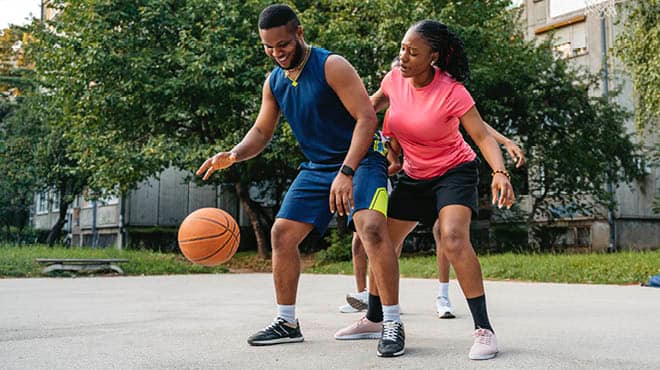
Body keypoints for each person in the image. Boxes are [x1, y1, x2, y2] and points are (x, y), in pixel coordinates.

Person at [196, 4, 405, 358]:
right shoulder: (274, 81)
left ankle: (391, 322)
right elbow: (262, 131)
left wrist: (347, 171)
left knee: (370, 228)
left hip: (363, 159)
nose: (276, 53)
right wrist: (233, 154)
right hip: (318, 166)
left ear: (300, 34)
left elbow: (367, 118)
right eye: (268, 47)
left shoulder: (331, 66)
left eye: (283, 44)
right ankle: (287, 322)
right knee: (281, 234)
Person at [335, 20, 516, 361]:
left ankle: (484, 331)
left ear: (433, 56)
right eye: (402, 48)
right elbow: (365, 113)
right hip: (415, 176)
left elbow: (480, 136)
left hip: (454, 173)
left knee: (453, 238)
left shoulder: (452, 91)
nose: (403, 56)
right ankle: (375, 318)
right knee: (382, 240)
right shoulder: (392, 81)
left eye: (413, 52)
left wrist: (499, 171)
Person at [340, 123, 525, 318]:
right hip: (417, 177)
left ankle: (443, 296)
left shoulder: (445, 97)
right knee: (380, 238)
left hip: (450, 176)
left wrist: (505, 142)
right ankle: (374, 304)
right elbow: (368, 109)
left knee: (446, 233)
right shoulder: (395, 105)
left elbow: (476, 123)